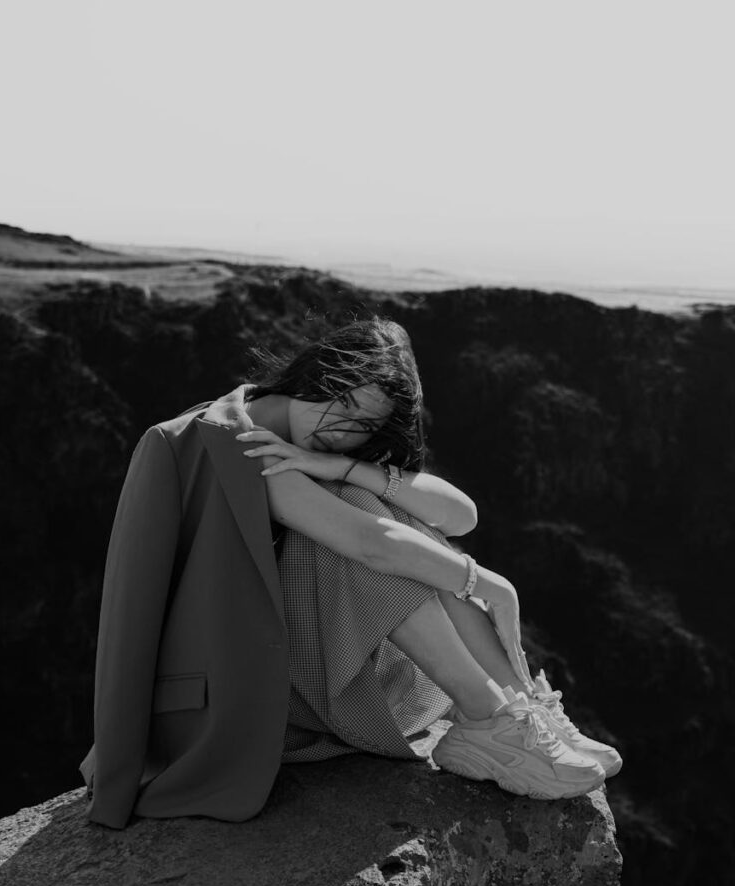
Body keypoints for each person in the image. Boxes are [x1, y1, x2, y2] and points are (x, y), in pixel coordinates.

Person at [79, 316, 620, 829]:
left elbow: (461, 515)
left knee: (374, 503)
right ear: (311, 373)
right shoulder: (232, 439)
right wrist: (485, 583)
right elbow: (370, 544)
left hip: (302, 672)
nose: (339, 429)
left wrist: (341, 467)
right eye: (339, 400)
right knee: (363, 531)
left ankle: (515, 706)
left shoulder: (307, 447)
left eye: (363, 426)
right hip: (233, 699)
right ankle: (489, 717)